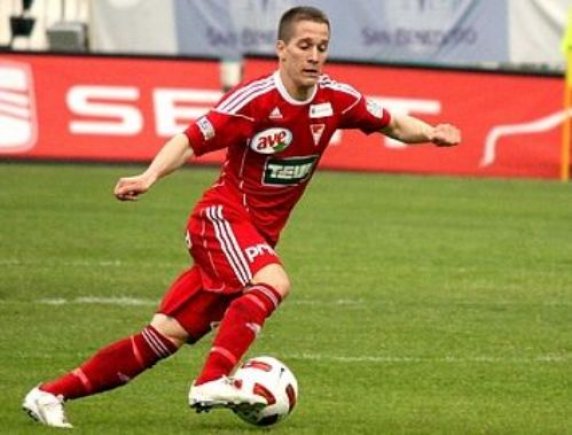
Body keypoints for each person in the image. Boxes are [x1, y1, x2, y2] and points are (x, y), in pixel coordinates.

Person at [22, 5, 461, 429]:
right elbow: (190, 140)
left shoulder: (336, 99)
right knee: (274, 281)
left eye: (322, 47)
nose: (314, 56)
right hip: (220, 220)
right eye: (304, 45)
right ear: (281, 49)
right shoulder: (255, 100)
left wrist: (431, 133)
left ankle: (48, 394)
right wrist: (149, 175)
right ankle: (212, 380)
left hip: (253, 237)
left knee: (162, 337)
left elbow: (392, 123)